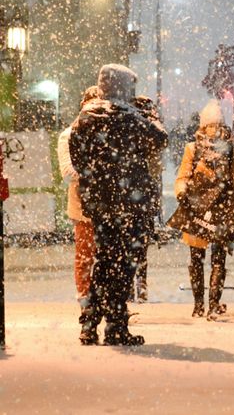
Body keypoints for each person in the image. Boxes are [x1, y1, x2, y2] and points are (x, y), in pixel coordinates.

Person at [70, 64, 168, 346]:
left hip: (102, 204)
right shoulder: (132, 117)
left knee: (105, 261)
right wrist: (149, 113)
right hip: (131, 203)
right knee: (124, 265)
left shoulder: (86, 116)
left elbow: (77, 157)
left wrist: (97, 182)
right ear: (123, 87)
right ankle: (115, 324)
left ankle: (90, 323)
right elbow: (160, 138)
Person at [168, 100, 234, 319]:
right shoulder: (192, 148)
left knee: (218, 259)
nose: (213, 129)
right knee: (197, 258)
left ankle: (213, 304)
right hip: (197, 208)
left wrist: (227, 183)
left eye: (217, 125)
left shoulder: (230, 149)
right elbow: (182, 176)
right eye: (210, 125)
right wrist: (183, 192)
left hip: (218, 209)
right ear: (203, 126)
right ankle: (199, 304)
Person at [58, 86, 102, 305]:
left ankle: (101, 297)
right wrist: (94, 176)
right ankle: (85, 297)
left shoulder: (105, 135)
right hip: (82, 203)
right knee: (85, 254)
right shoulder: (68, 134)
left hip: (104, 203)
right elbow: (67, 172)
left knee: (105, 256)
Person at [131, 95, 164, 303]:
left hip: (131, 197)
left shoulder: (127, 127)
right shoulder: (151, 133)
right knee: (141, 249)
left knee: (128, 249)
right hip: (143, 198)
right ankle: (141, 288)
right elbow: (156, 169)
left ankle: (130, 290)